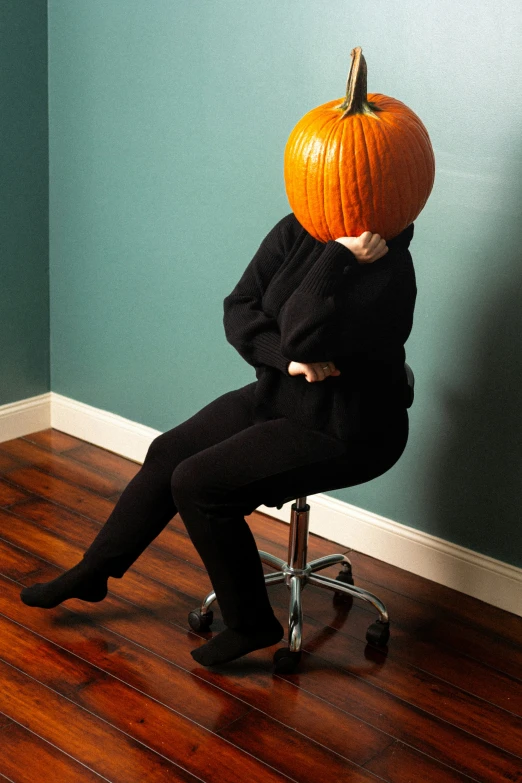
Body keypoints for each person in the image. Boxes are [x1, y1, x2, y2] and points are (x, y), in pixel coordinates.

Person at [20, 213, 416, 667]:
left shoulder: (388, 265)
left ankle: (251, 623)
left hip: (350, 426)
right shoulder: (297, 227)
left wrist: (337, 257)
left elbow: (305, 335)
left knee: (198, 483)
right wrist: (284, 361)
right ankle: (95, 572)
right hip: (281, 393)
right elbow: (240, 308)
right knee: (168, 453)